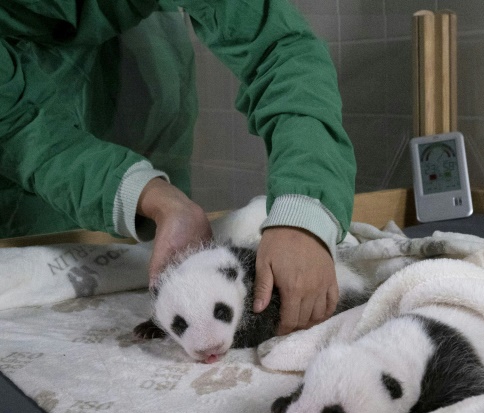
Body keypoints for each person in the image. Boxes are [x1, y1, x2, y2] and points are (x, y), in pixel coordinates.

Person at [0, 0, 356, 335]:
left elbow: (276, 46)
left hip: (137, 63)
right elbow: (19, 131)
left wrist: (305, 211)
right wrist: (151, 197)